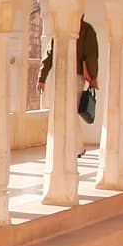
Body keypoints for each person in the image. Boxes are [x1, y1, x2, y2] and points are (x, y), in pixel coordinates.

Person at [40, 17, 101, 158]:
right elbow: (91, 55)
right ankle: (76, 147)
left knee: (68, 111)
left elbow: (49, 55)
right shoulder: (86, 30)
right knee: (70, 111)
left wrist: (42, 78)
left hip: (67, 75)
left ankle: (75, 147)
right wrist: (93, 77)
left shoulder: (73, 29)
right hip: (74, 76)